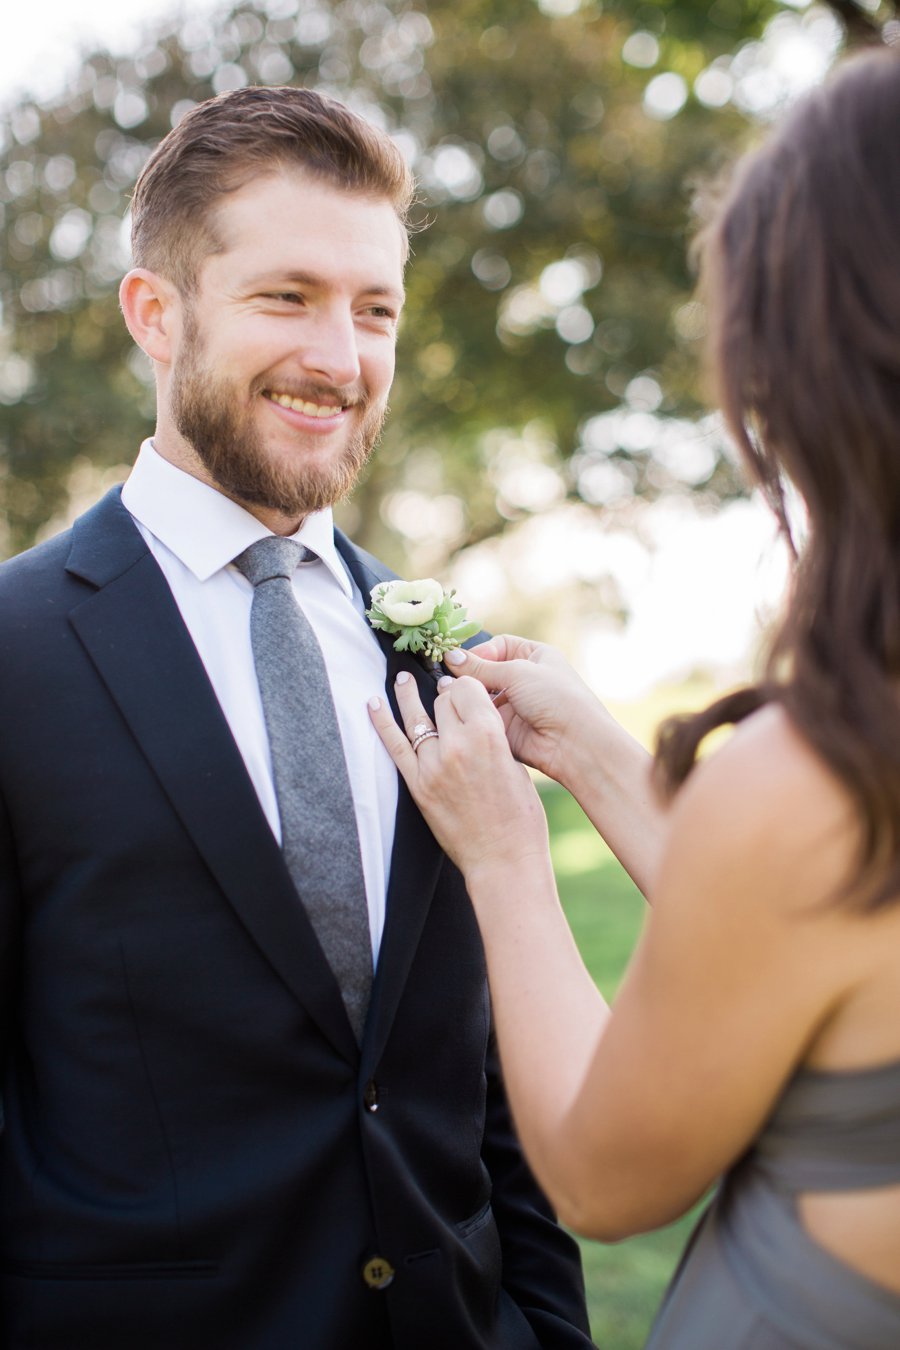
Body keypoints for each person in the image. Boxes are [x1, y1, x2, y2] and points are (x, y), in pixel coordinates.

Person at [0, 87, 595, 1350]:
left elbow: (484, 1071)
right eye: (289, 297)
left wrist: (543, 1325)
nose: (343, 356)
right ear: (156, 315)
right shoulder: (15, 650)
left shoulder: (441, 655)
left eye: (374, 309)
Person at [370, 46, 900, 1350]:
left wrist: (505, 853)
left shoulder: (817, 782)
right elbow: (821, 953)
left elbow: (608, 1178)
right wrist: (610, 759)